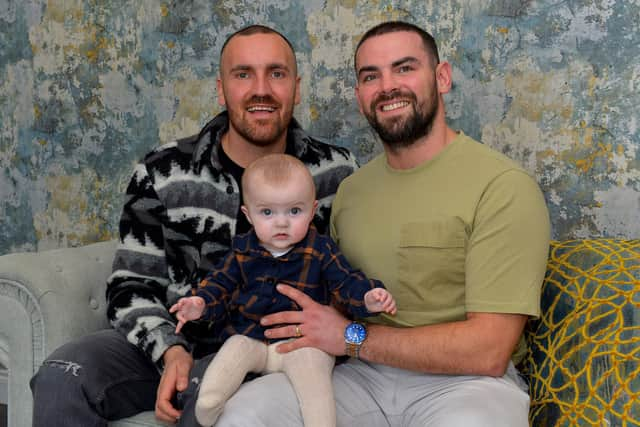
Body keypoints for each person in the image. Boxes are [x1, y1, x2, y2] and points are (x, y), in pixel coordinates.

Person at [211, 21, 551, 427]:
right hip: (360, 377)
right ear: (359, 97)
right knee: (245, 412)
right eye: (371, 76)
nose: (388, 86)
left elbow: (489, 350)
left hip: (467, 384)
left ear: (441, 77)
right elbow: (332, 293)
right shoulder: (352, 190)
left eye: (404, 68)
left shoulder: (502, 186)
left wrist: (352, 337)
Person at [29, 25, 360, 427]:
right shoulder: (163, 171)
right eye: (243, 74)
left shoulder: (337, 172)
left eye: (277, 73)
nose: (261, 89)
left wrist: (344, 329)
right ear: (222, 90)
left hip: (264, 350)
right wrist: (169, 350)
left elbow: (354, 278)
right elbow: (131, 285)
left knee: (207, 404)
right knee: (63, 374)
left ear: (297, 87)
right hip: (170, 341)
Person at [170, 153, 396, 427]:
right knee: (233, 349)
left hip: (302, 342)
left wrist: (368, 297)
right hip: (252, 338)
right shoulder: (242, 250)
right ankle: (207, 409)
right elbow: (219, 285)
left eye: (294, 211)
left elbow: (346, 281)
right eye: (267, 212)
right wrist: (200, 304)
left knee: (314, 378)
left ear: (312, 211)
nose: (281, 223)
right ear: (248, 214)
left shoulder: (320, 249)